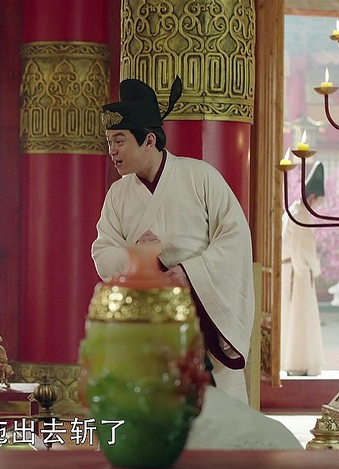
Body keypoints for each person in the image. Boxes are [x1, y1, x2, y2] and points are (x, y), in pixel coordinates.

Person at [91, 77, 255, 403]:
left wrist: (189, 273)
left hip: (203, 314)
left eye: (120, 141)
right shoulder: (118, 194)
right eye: (109, 142)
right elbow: (102, 252)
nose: (112, 151)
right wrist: (138, 257)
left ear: (149, 140)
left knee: (216, 418)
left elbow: (235, 237)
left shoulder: (200, 177)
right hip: (147, 322)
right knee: (152, 412)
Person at [280, 162, 325, 376]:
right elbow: (303, 248)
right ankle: (298, 363)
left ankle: (295, 362)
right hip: (298, 272)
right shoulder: (301, 214)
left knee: (294, 316)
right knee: (300, 317)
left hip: (291, 268)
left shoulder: (293, 210)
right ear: (313, 197)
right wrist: (312, 269)